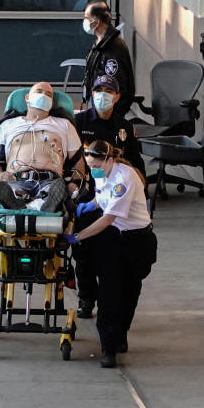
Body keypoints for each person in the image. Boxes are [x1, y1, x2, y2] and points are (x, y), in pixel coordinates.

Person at [65, 140, 156, 367]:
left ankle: (120, 334)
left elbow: (107, 219)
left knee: (130, 291)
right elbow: (101, 196)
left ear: (109, 160)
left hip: (136, 240)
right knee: (109, 291)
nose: (93, 170)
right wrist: (90, 205)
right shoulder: (101, 172)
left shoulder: (123, 180)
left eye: (96, 166)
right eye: (90, 166)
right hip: (114, 238)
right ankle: (109, 347)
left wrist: (79, 236)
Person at [72, 74, 145, 319]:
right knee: (83, 252)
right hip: (88, 194)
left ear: (117, 96)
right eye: (98, 90)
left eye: (108, 91)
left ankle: (107, 299)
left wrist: (140, 195)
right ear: (91, 93)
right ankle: (86, 298)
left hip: (115, 200)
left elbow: (135, 163)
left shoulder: (124, 127)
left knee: (109, 257)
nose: (102, 95)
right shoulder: (79, 121)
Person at [0, 80, 85, 209]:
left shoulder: (64, 125)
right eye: (39, 91)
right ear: (27, 97)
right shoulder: (7, 126)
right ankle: (24, 202)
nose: (43, 96)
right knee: (13, 192)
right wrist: (0, 175)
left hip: (51, 180)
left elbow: (79, 162)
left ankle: (45, 203)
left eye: (48, 94)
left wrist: (74, 182)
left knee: (54, 192)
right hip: (16, 179)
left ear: (52, 103)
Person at [81, 1, 135, 115]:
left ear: (97, 21)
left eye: (86, 18)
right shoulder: (100, 44)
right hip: (97, 108)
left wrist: (109, 114)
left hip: (108, 112)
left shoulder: (113, 48)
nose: (84, 21)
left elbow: (117, 84)